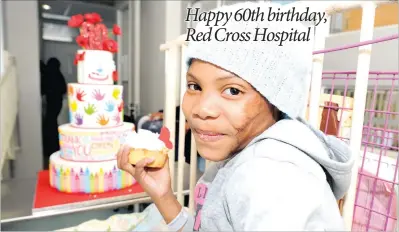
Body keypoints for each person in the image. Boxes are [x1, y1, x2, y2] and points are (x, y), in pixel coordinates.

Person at [117, 2, 354, 231]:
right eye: (194, 86)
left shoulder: (270, 177)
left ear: (277, 101)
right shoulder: (240, 156)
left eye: (232, 90)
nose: (201, 109)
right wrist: (163, 195)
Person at [42, 57, 67, 169]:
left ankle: (51, 149)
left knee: (49, 125)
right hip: (58, 103)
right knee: (52, 124)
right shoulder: (58, 75)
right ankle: (54, 147)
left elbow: (42, 89)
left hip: (52, 103)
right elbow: (63, 89)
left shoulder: (48, 76)